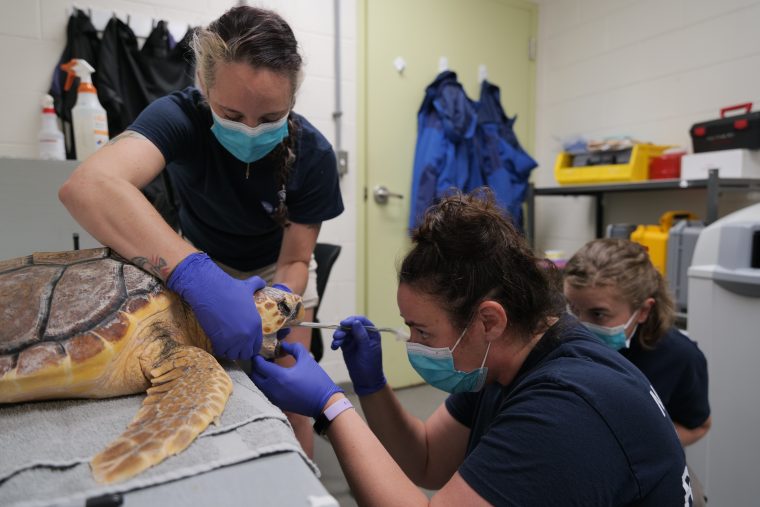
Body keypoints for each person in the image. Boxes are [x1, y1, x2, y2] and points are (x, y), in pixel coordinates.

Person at [250, 189, 692, 505]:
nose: (414, 343)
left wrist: (331, 408)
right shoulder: (503, 361)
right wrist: (371, 385)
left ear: (489, 320)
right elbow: (425, 460)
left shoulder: (564, 409)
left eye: (424, 332)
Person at [58, 6, 344, 457]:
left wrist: (276, 311)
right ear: (203, 84)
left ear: (293, 100)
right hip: (193, 257)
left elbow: (293, 261)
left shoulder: (316, 156)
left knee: (291, 394)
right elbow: (89, 187)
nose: (250, 131)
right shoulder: (180, 117)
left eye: (270, 118)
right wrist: (196, 275)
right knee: (203, 383)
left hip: (276, 270)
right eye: (231, 113)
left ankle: (298, 477)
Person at [564, 238, 711, 504]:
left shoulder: (680, 357)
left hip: (640, 466)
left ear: (643, 311)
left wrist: (632, 442)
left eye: (598, 315)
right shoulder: (558, 340)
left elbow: (699, 425)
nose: (579, 325)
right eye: (572, 309)